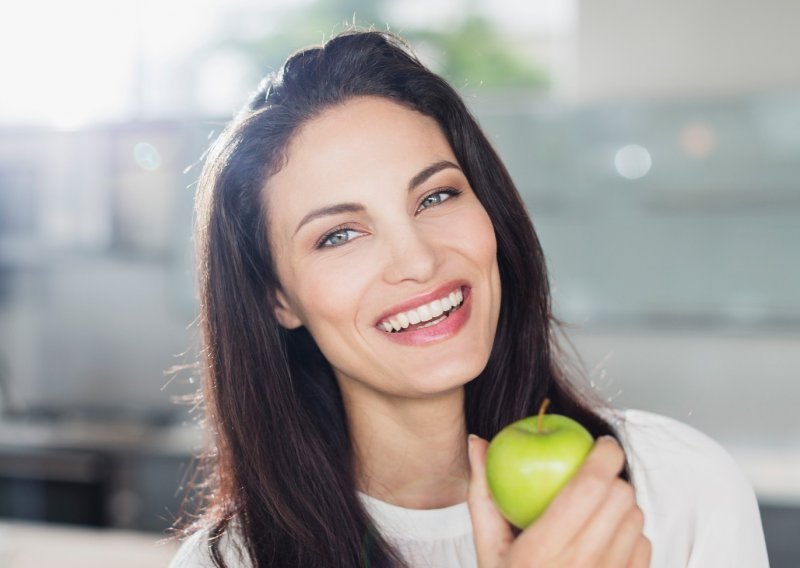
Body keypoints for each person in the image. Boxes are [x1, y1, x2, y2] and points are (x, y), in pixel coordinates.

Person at [169, 30, 769, 568]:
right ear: (279, 298)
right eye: (340, 235)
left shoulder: (680, 487)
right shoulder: (227, 563)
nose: (420, 261)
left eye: (435, 197)